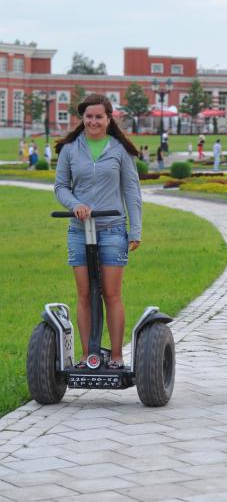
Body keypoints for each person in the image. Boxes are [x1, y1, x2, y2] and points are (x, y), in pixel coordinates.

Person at [54, 93, 142, 370]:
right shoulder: (70, 149)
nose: (93, 121)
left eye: (98, 117)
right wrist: (75, 204)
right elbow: (60, 187)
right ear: (83, 119)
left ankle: (116, 356)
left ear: (108, 119)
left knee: (110, 294)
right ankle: (87, 355)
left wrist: (135, 230)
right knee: (84, 294)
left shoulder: (119, 150)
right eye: (89, 116)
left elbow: (131, 191)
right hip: (79, 231)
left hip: (112, 229)